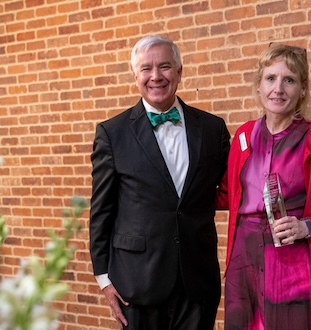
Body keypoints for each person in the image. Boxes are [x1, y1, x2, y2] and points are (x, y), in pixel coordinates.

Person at [89, 35, 230, 330]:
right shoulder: (112, 134)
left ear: (179, 71)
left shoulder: (213, 129)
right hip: (136, 283)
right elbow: (101, 211)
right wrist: (103, 279)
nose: (156, 76)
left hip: (197, 281)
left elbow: (234, 190)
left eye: (165, 66)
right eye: (146, 69)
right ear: (135, 76)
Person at [216, 43, 311, 330]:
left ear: (302, 89)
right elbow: (229, 195)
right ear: (259, 86)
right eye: (271, 78)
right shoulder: (244, 135)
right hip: (244, 261)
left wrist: (309, 225)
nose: (278, 88)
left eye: (289, 80)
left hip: (293, 263)